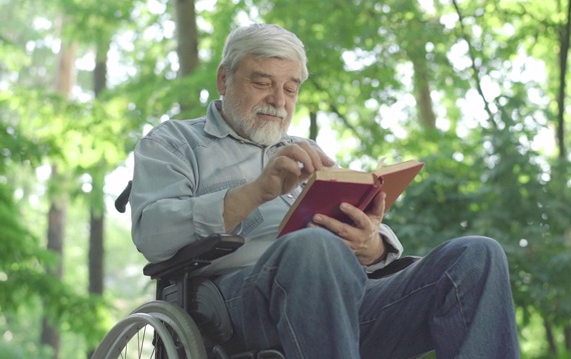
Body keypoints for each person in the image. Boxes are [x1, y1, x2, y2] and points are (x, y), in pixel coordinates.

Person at [130, 23, 520, 358]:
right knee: (313, 247)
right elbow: (153, 234)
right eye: (262, 82)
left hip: (347, 296)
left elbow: (372, 249)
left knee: (475, 256)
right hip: (233, 305)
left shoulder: (308, 152)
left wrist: (371, 244)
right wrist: (256, 192)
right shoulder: (174, 142)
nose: (278, 101)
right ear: (223, 79)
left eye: (290, 88)